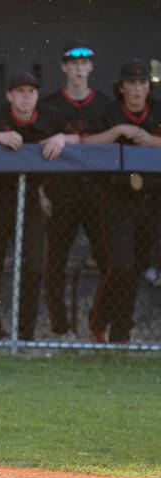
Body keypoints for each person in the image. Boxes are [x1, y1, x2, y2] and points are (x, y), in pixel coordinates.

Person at [0, 70, 79, 340]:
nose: (26, 96)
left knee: (33, 264)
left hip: (30, 195)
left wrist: (61, 138)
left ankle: (24, 335)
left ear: (38, 95)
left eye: (31, 91)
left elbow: (77, 137)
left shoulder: (50, 116)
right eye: (20, 91)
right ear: (10, 95)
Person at [82, 59, 161, 343]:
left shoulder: (158, 111)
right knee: (122, 267)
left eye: (143, 84)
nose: (137, 89)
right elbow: (86, 143)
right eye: (132, 83)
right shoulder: (109, 113)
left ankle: (120, 336)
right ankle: (99, 319)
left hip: (152, 200)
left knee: (136, 269)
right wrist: (117, 132)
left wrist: (153, 142)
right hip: (117, 198)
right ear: (122, 87)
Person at [40, 42, 111, 339]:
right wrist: (41, 191)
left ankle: (100, 324)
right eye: (73, 63)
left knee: (111, 263)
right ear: (64, 67)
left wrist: (72, 138)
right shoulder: (50, 105)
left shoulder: (106, 105)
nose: (79, 68)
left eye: (84, 63)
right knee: (54, 264)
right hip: (62, 194)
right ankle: (60, 330)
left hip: (98, 193)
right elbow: (38, 151)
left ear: (91, 67)